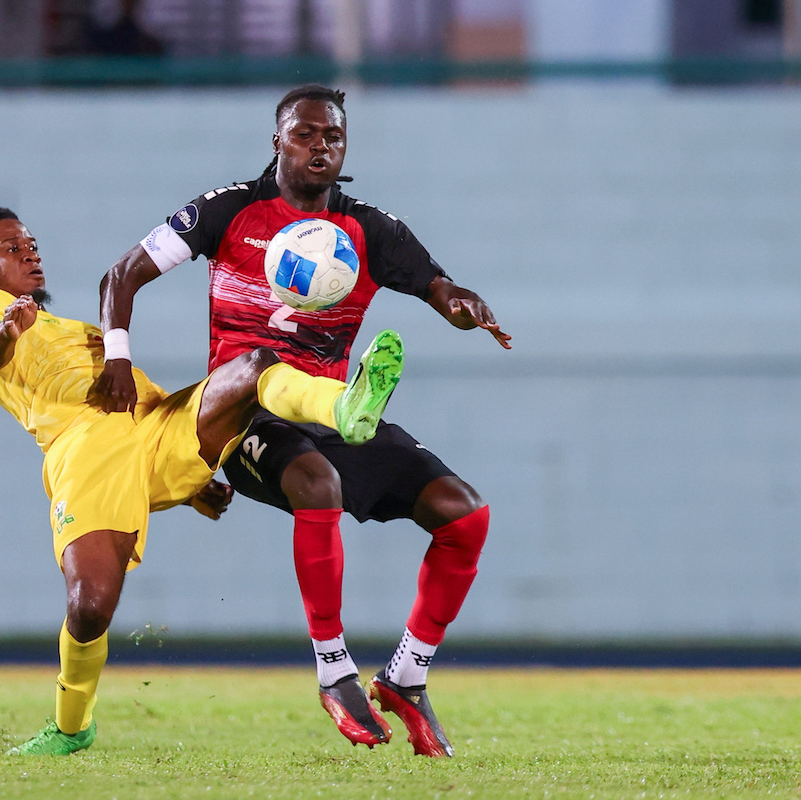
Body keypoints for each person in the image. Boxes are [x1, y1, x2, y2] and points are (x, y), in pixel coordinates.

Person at [98, 85, 512, 757]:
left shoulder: (372, 229)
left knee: (465, 514)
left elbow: (443, 293)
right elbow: (120, 275)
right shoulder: (227, 210)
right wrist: (117, 354)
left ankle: (407, 676)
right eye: (305, 134)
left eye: (333, 138)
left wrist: (465, 305)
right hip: (245, 415)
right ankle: (332, 669)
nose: (320, 146)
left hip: (330, 416)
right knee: (317, 483)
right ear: (277, 142)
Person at [0, 207, 404, 756]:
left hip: (155, 425)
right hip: (87, 449)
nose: (31, 252)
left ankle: (343, 404)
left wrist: (189, 486)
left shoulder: (69, 330)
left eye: (32, 242)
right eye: (12, 247)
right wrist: (5, 327)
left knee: (254, 365)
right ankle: (72, 727)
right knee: (90, 605)